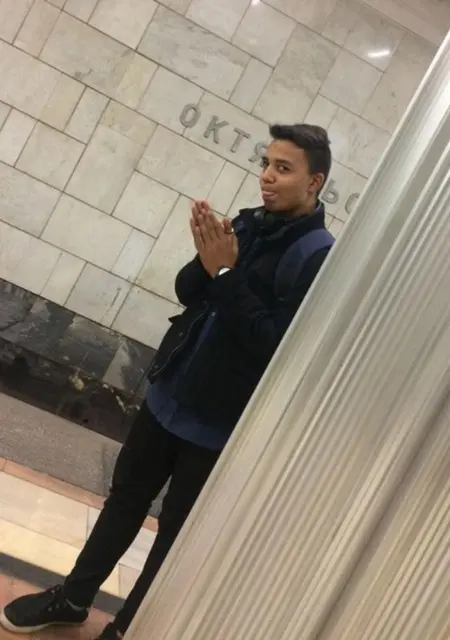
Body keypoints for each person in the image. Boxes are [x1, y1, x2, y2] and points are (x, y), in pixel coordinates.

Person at [0, 123, 334, 639]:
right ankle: (73, 598)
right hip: (170, 394)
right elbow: (187, 290)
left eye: (283, 168)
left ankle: (126, 629)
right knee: (124, 500)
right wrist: (206, 259)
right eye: (266, 163)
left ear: (314, 182)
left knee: (172, 534)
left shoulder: (315, 255)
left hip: (217, 425)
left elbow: (272, 342)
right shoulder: (247, 223)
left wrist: (226, 275)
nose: (267, 176)